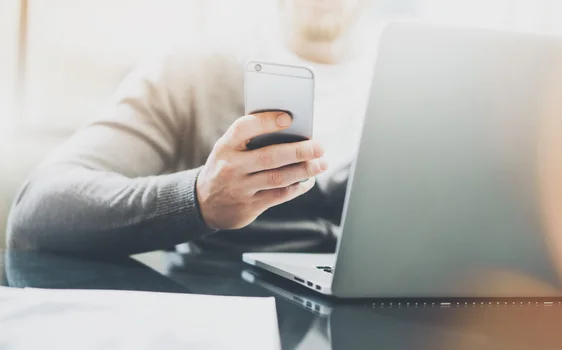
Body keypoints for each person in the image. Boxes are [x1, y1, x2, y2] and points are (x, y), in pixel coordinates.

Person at [7, 0, 383, 255]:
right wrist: (200, 198)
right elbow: (39, 207)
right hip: (223, 313)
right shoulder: (194, 70)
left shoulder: (423, 84)